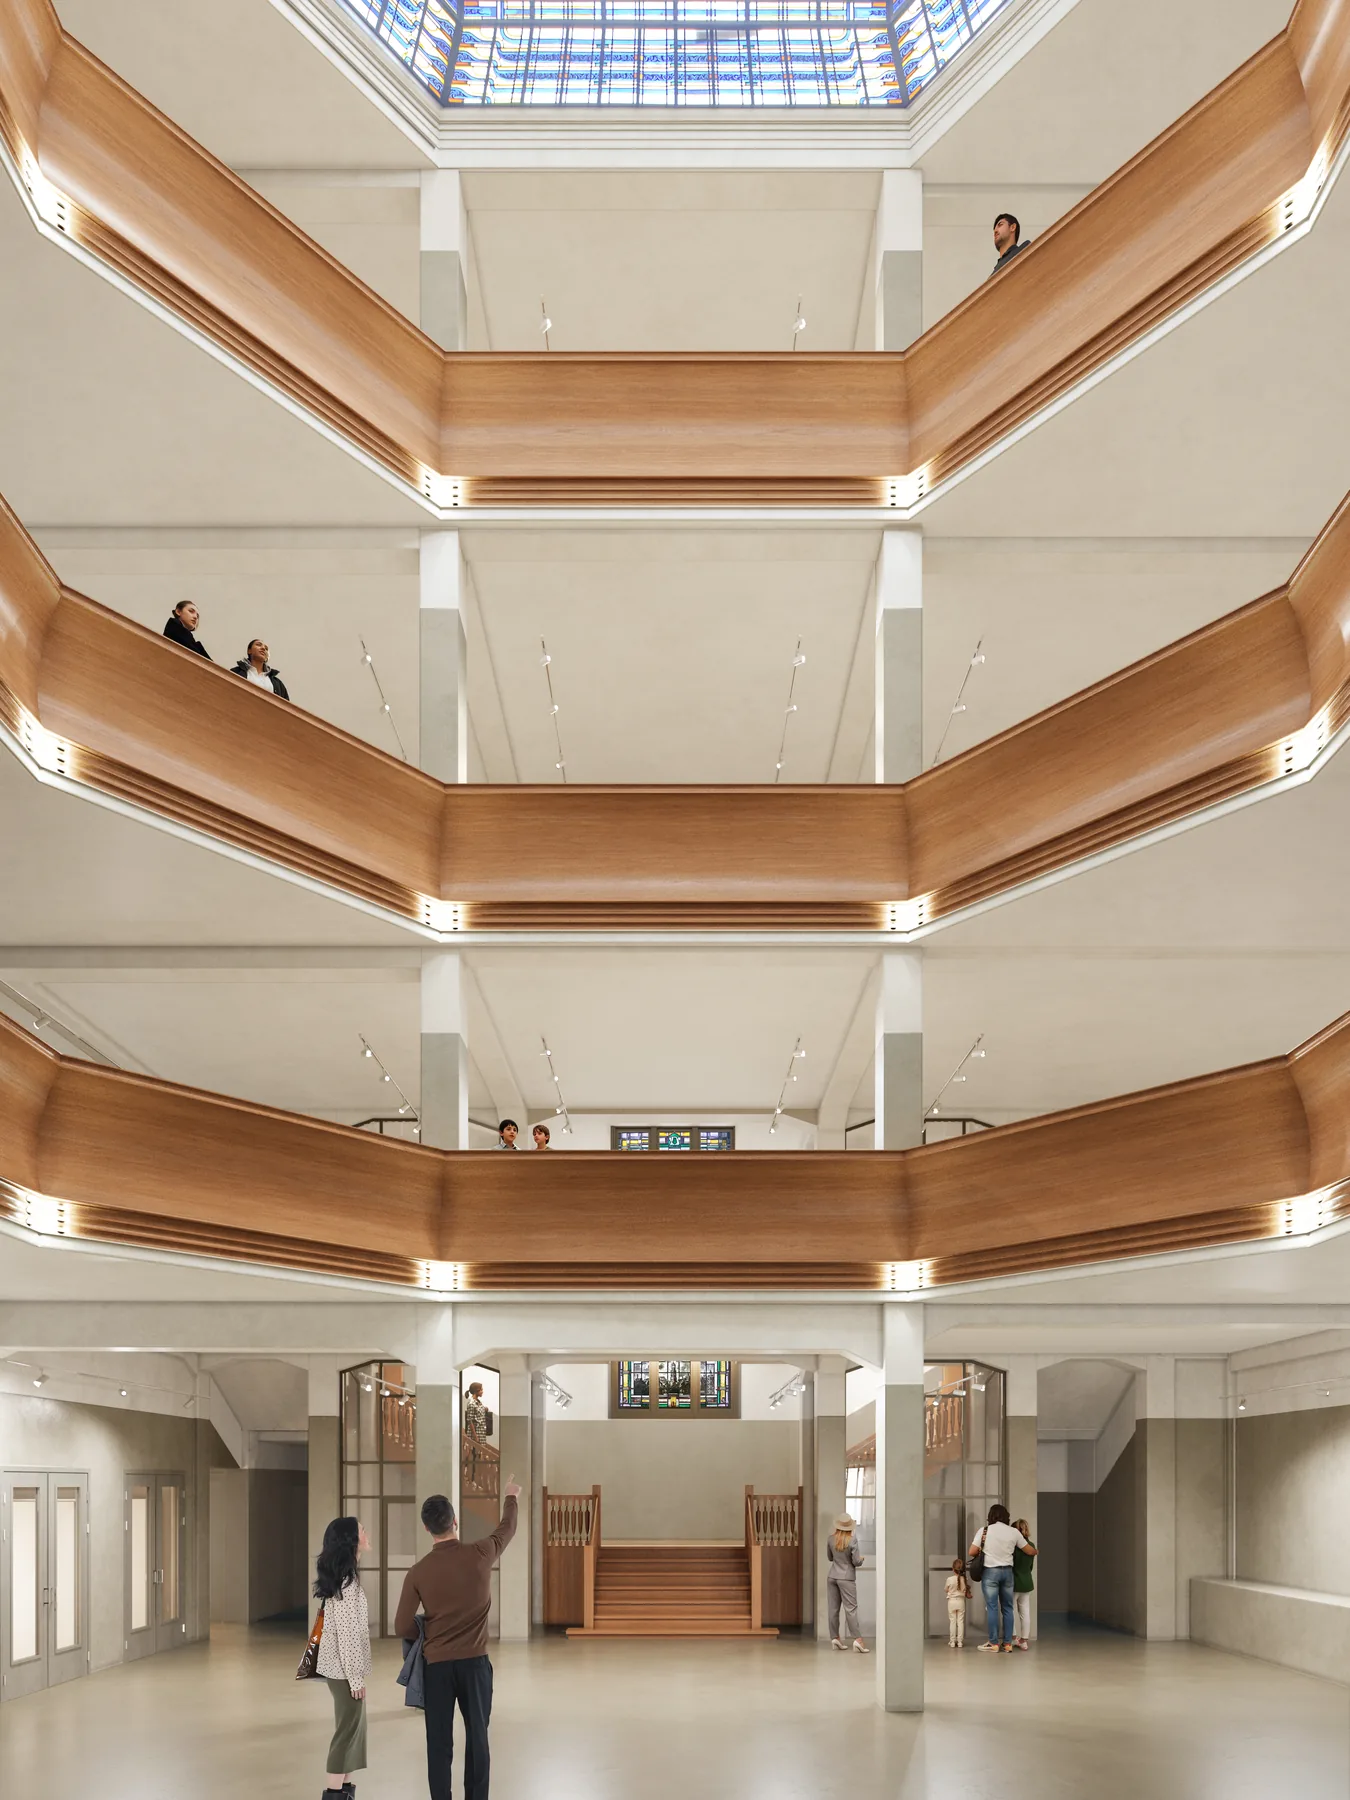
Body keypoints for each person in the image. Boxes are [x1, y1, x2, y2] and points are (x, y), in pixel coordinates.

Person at [394, 1480, 521, 1800]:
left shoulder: (418, 1571)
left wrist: (428, 1633)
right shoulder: (481, 1552)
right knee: (478, 1737)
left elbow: (401, 1626)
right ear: (455, 1521)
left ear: (427, 1528)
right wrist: (510, 1496)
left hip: (436, 1668)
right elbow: (507, 1529)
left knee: (438, 1742)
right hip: (475, 1666)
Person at [312, 1516, 371, 1797]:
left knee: (351, 1736)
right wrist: (355, 1678)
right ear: (352, 1540)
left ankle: (344, 1793)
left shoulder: (347, 1579)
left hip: (341, 1671)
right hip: (344, 1673)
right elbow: (347, 1636)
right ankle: (334, 1793)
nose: (366, 1533)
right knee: (346, 1736)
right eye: (362, 1530)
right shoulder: (347, 1584)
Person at [970, 1504, 1034, 1652]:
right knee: (1008, 1608)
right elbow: (1029, 1550)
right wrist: (1036, 1551)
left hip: (990, 1572)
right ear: (1006, 1516)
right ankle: (1008, 1644)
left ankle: (993, 1643)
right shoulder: (1013, 1532)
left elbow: (972, 1551)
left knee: (992, 1607)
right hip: (1008, 1573)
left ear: (991, 1516)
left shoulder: (984, 1531)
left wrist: (984, 1548)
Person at [825, 1511, 868, 1653]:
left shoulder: (831, 1539)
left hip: (832, 1576)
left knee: (833, 1609)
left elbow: (830, 1558)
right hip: (846, 1578)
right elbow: (856, 1562)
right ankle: (858, 1640)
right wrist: (861, 1559)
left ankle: (835, 1637)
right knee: (850, 1609)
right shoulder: (852, 1540)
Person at [1012, 1518, 1037, 1649]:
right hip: (1026, 1581)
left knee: (1009, 1611)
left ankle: (1012, 1637)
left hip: (1013, 1582)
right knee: (1025, 1612)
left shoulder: (1014, 1546)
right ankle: (1024, 1640)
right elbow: (1030, 1566)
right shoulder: (1031, 1545)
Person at [462, 1380, 489, 1489]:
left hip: (481, 1434)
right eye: (481, 1390)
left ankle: (474, 1480)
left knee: (477, 1458)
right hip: (475, 1435)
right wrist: (475, 1436)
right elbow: (470, 1420)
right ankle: (470, 1479)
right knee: (472, 1458)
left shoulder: (478, 1402)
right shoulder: (471, 1403)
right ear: (476, 1391)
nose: (482, 1391)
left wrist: (485, 1409)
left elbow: (479, 1415)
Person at [945, 1557, 970, 1649]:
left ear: (953, 1569)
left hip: (951, 1601)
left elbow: (946, 1589)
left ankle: (952, 1641)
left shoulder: (949, 1579)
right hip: (961, 1601)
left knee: (952, 1621)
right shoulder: (965, 1578)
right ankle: (960, 1642)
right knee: (960, 1621)